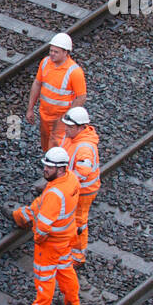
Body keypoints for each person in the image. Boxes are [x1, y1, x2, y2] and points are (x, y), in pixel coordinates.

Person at [10, 146, 80, 305]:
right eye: (45, 165)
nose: (45, 169)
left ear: (61, 168)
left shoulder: (54, 195)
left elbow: (42, 227)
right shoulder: (71, 179)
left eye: (50, 167)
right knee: (65, 270)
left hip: (51, 244)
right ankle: (72, 304)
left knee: (44, 278)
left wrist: (38, 240)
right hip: (66, 237)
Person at [25, 32, 86, 152]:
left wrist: (67, 119)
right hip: (44, 115)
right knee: (46, 144)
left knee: (56, 149)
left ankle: (55, 168)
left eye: (56, 52)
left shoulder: (74, 72)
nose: (52, 54)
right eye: (51, 50)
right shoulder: (45, 63)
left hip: (60, 119)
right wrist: (30, 108)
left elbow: (81, 97)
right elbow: (37, 84)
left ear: (66, 52)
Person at [59, 106, 100, 266]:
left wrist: (64, 183)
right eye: (66, 125)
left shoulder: (84, 147)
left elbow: (83, 171)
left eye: (69, 126)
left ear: (81, 127)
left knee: (78, 222)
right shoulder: (71, 136)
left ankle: (77, 257)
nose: (66, 129)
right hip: (73, 187)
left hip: (83, 191)